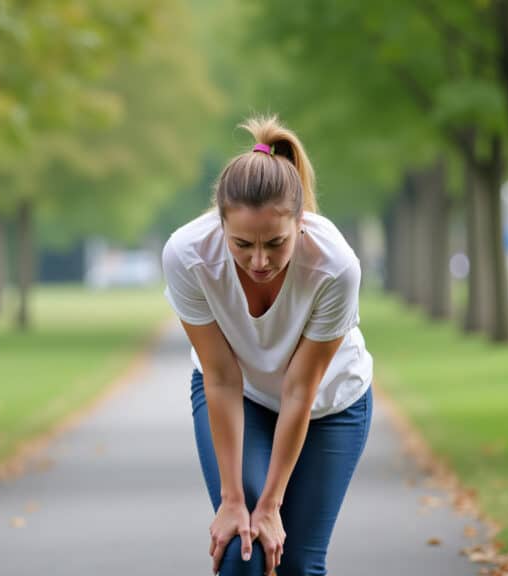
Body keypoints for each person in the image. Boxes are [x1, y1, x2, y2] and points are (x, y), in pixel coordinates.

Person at [161, 115, 374, 576]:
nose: (260, 261)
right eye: (242, 244)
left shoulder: (336, 267)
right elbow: (220, 376)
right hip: (240, 396)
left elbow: (301, 389)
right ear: (219, 226)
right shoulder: (187, 256)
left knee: (296, 562)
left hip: (330, 404)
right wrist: (233, 500)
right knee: (242, 549)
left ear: (301, 223)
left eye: (276, 244)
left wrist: (271, 503)